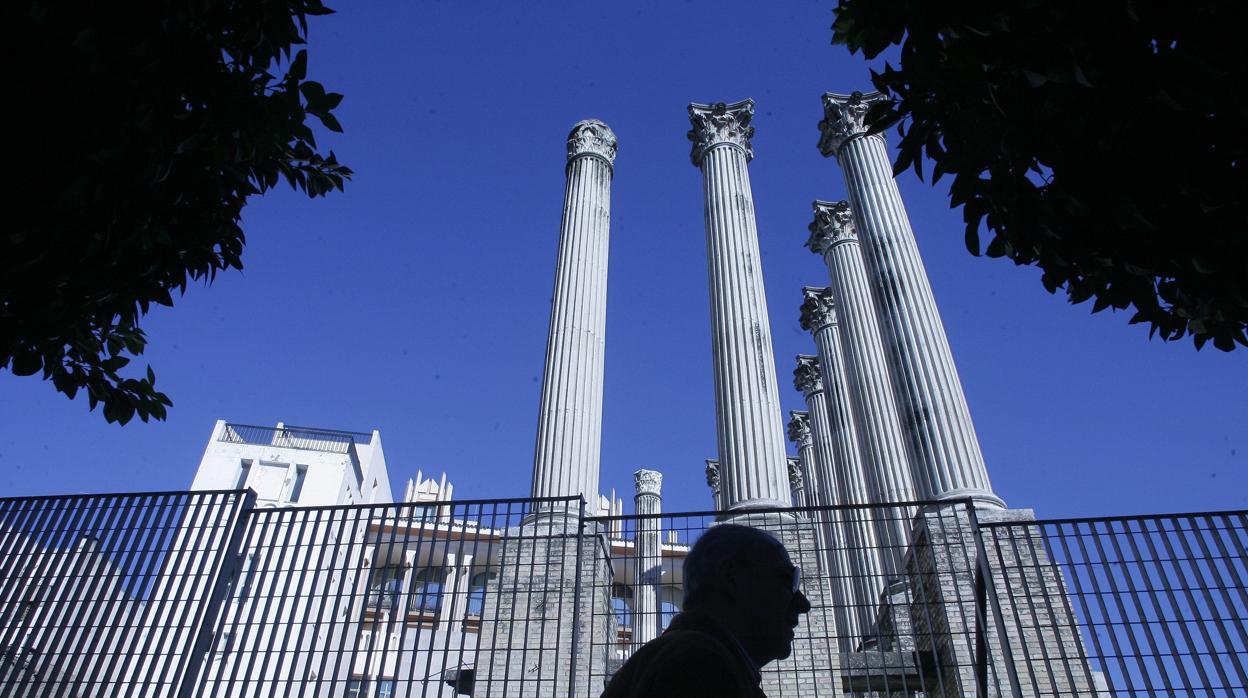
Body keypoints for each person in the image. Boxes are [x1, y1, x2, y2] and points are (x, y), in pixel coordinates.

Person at [601, 524, 812, 698]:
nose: (803, 603)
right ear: (733, 578)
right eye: (788, 580)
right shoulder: (701, 667)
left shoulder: (681, 659)